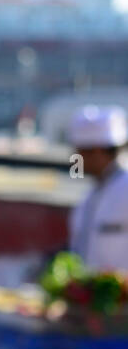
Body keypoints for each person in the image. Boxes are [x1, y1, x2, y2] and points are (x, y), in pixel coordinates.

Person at [68, 104, 128, 271]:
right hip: (95, 295)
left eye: (79, 153)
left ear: (97, 151)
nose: (74, 159)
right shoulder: (91, 194)